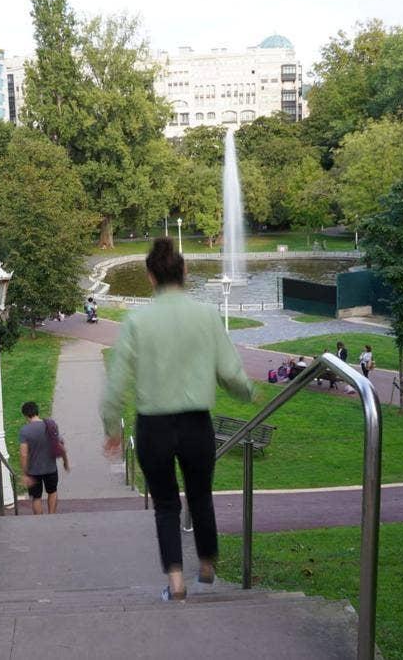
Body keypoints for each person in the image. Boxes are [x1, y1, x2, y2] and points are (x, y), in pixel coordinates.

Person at [101, 238, 255, 602]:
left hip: (153, 427)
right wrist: (248, 392)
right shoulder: (206, 315)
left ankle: (175, 581)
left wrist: (111, 428)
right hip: (196, 424)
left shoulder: (137, 320)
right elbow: (230, 373)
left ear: (150, 276)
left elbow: (116, 382)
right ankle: (206, 563)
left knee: (167, 504)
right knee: (200, 496)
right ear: (184, 272)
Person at [18, 401, 69, 515]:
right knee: (52, 492)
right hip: (50, 468)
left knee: (36, 498)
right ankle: (51, 516)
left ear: (25, 415)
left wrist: (25, 473)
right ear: (37, 412)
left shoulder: (24, 431)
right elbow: (61, 444)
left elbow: (23, 454)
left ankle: (40, 522)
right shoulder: (50, 425)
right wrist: (66, 462)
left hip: (33, 471)